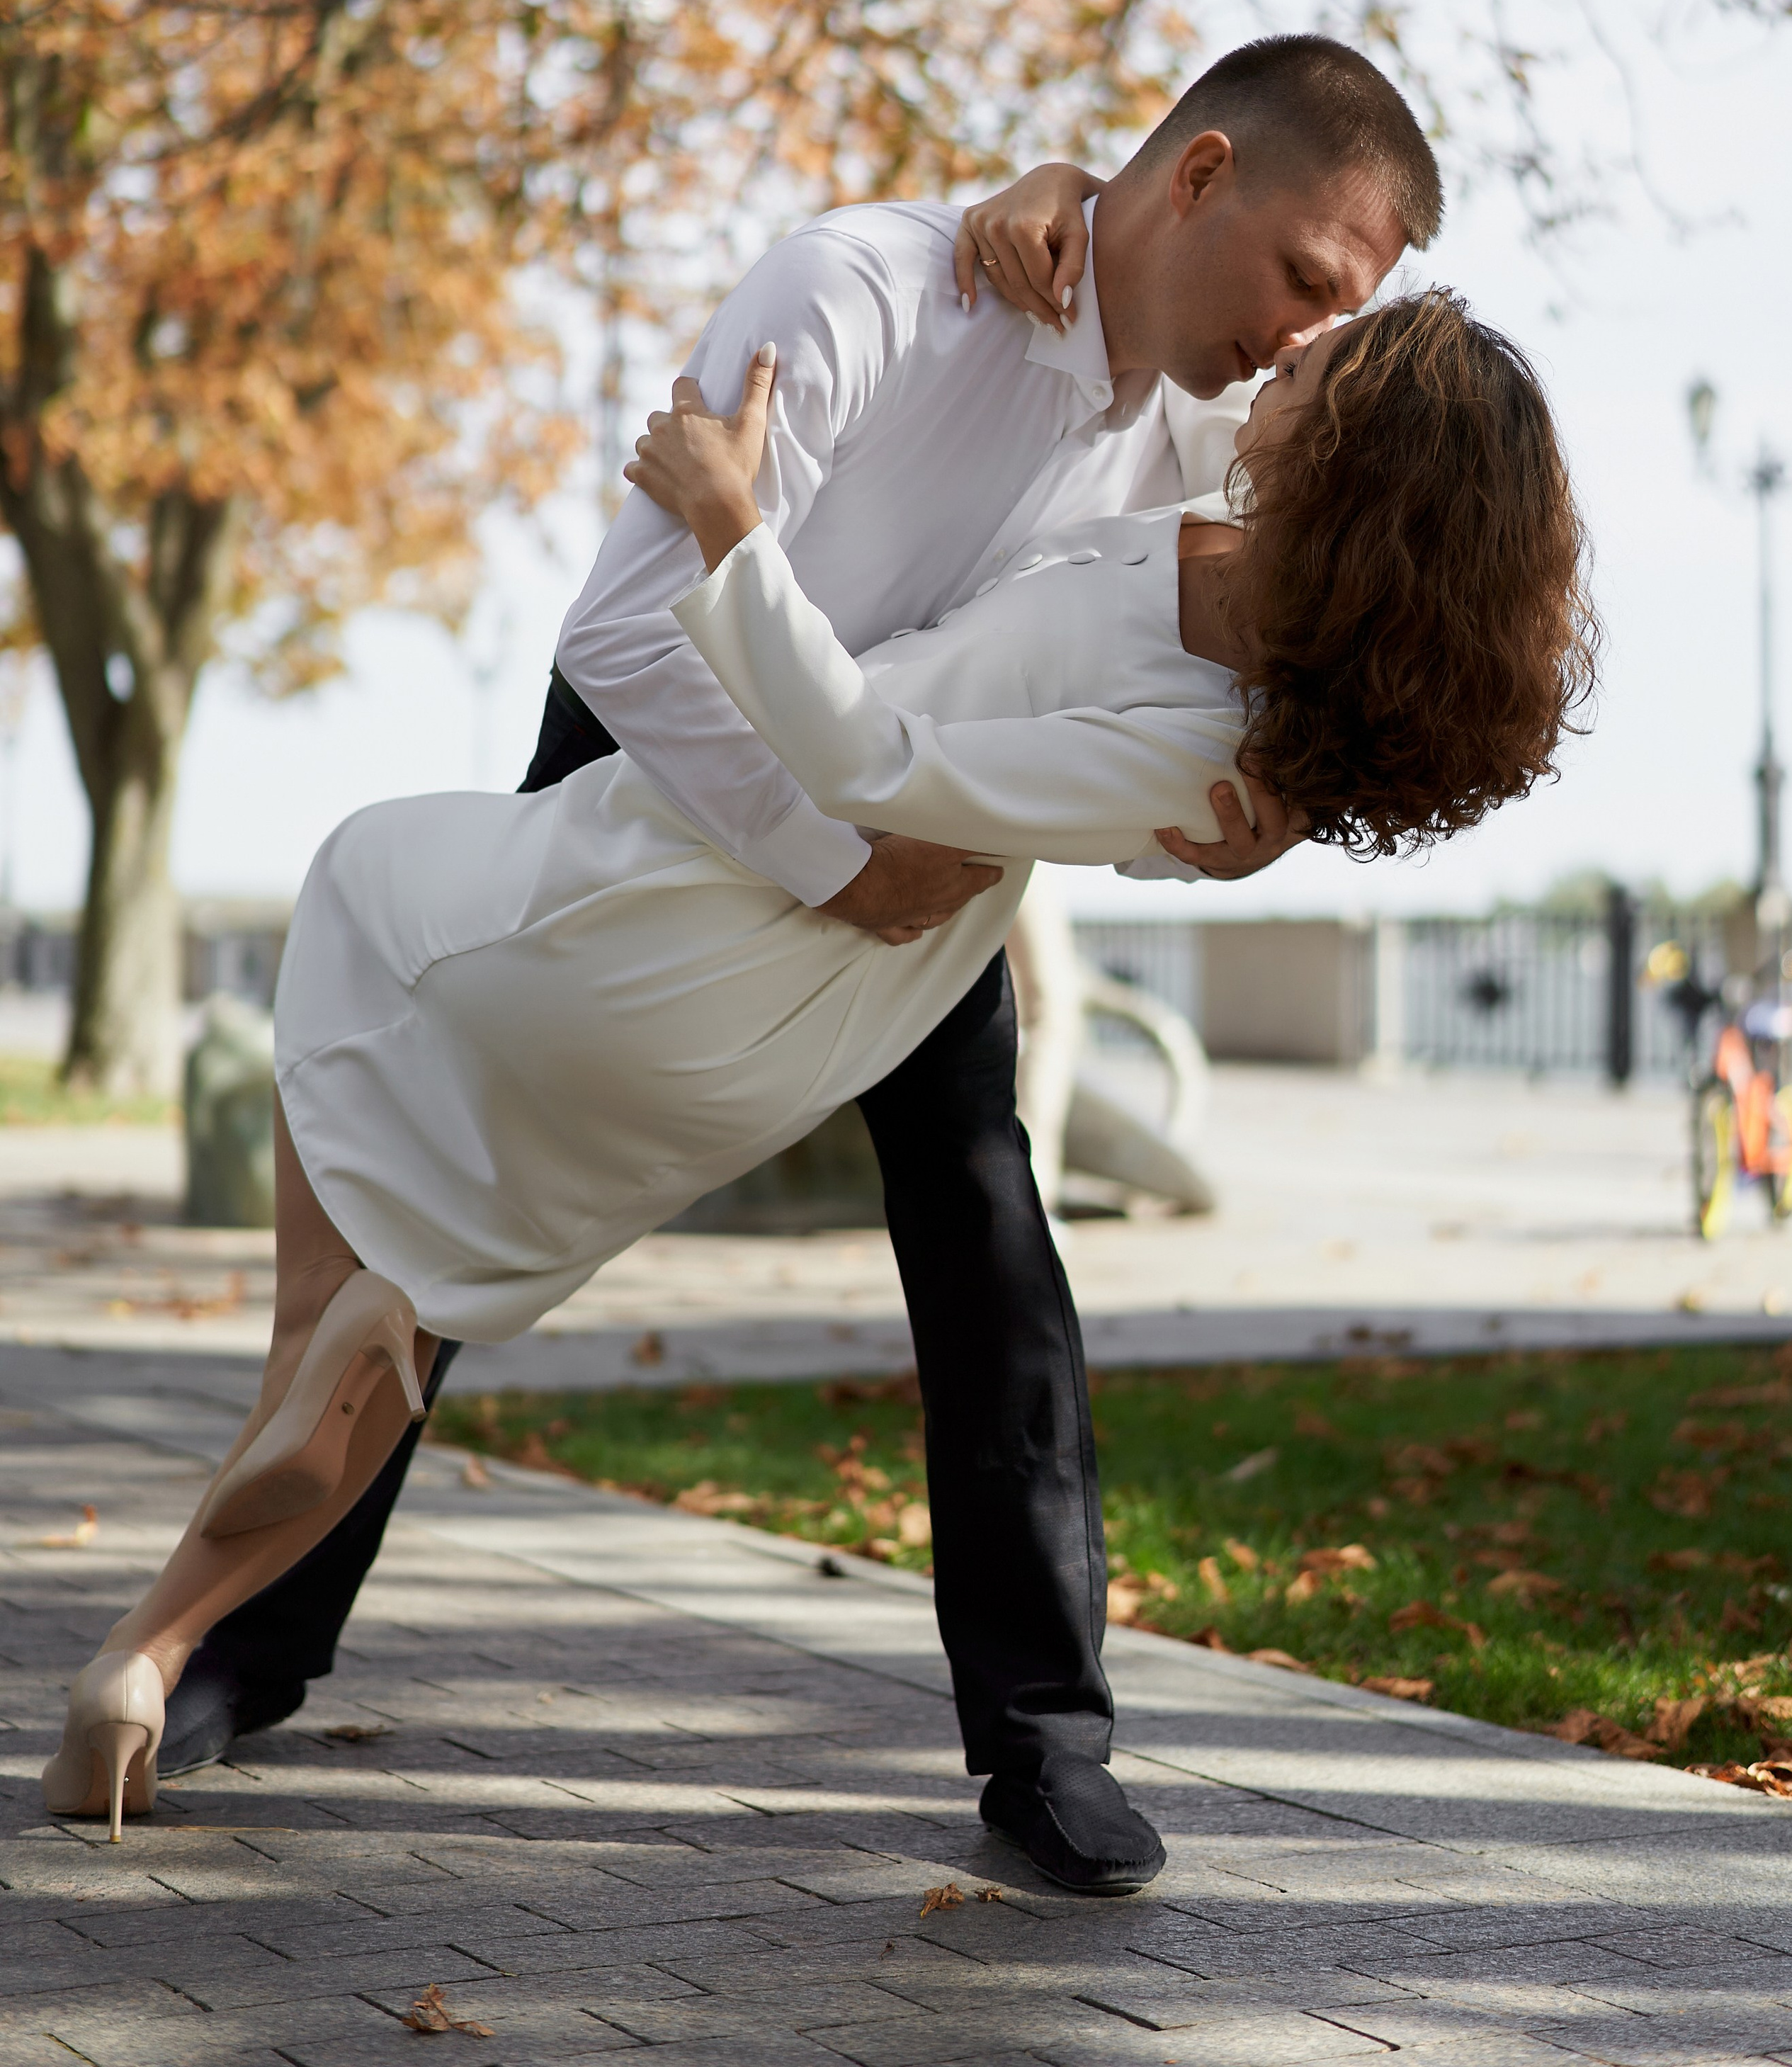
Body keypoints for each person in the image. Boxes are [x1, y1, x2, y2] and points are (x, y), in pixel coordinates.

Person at [43, 274, 1597, 1888]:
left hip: (741, 911)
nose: (1293, 348)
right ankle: (174, 1640)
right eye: (1311, 300)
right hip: (800, 992)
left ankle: (311, 1382)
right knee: (437, 1229)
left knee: (364, 886)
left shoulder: (1219, 726)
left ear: (1347, 460)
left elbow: (861, 763)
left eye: (1327, 348)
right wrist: (1062, 179)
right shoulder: (1219, 558)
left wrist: (732, 523)